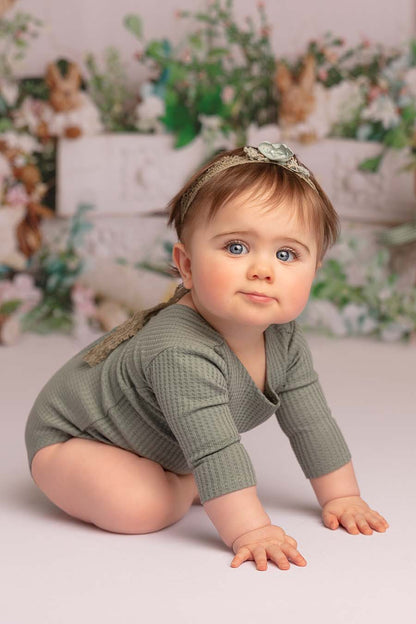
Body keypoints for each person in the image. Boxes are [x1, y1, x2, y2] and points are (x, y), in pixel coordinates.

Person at [25, 142, 389, 572]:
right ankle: (182, 486)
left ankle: (182, 480)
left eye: (286, 254)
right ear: (188, 265)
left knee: (170, 482)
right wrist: (250, 529)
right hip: (76, 443)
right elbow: (215, 448)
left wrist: (342, 496)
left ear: (314, 272)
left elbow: (312, 422)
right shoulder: (180, 347)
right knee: (141, 507)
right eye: (236, 247)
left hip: (156, 449)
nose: (262, 269)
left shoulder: (284, 338)